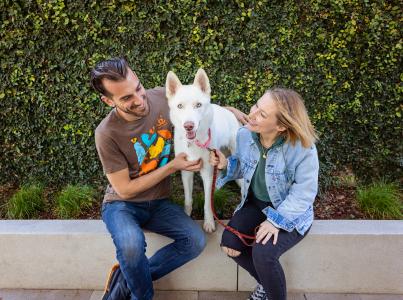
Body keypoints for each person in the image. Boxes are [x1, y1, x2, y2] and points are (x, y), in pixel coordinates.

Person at [90, 57, 248, 300]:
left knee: (195, 241)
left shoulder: (158, 98)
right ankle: (141, 294)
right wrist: (173, 166)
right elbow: (125, 190)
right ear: (108, 101)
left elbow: (196, 105)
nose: (139, 99)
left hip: (159, 203)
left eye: (138, 88)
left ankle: (126, 278)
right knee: (132, 248)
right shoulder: (106, 133)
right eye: (126, 98)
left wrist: (231, 112)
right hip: (122, 205)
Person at [209, 88, 319, 300]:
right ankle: (266, 284)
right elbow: (244, 166)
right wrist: (225, 164)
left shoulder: (303, 148)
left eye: (262, 114)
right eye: (256, 106)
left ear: (280, 126)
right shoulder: (245, 135)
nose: (252, 114)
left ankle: (272, 292)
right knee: (231, 243)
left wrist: (276, 221)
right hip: (256, 204)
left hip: (289, 212)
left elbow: (304, 194)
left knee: (263, 253)